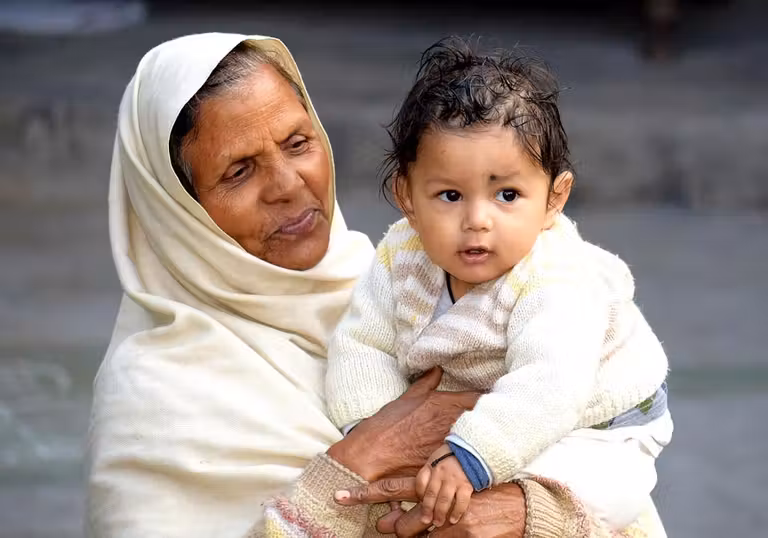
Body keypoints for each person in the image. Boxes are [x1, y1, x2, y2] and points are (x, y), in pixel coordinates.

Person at [86, 32, 671, 538]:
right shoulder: (154, 398)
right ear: (176, 209)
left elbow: (617, 494)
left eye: (298, 143)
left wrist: (528, 511)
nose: (289, 184)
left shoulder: (392, 277)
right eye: (239, 171)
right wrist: (354, 462)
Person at [326, 38, 672, 532]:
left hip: (601, 425)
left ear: (555, 198)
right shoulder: (401, 254)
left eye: (507, 194)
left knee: (566, 502)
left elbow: (551, 384)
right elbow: (363, 343)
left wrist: (472, 455)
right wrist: (376, 430)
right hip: (500, 408)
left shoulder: (557, 277)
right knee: (437, 495)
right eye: (449, 195)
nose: (477, 220)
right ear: (407, 196)